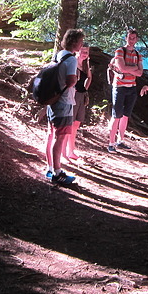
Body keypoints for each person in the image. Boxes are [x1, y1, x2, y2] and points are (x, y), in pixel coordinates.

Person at [44, 28, 84, 185]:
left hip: (52, 101)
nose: (81, 44)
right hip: (64, 102)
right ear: (73, 42)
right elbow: (71, 81)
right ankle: (57, 173)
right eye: (80, 41)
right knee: (60, 138)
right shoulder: (72, 59)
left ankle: (50, 167)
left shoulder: (58, 54)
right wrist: (76, 78)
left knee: (51, 135)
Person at [108, 28, 144, 152]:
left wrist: (128, 69)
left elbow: (140, 73)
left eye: (134, 38)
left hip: (132, 87)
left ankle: (120, 140)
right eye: (129, 38)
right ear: (126, 38)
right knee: (116, 115)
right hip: (119, 87)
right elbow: (121, 68)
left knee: (125, 116)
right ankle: (111, 143)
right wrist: (133, 68)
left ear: (137, 39)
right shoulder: (119, 51)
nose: (131, 40)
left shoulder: (138, 54)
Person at [64, 43, 92, 161]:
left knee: (76, 124)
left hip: (81, 95)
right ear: (77, 51)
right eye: (83, 51)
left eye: (86, 52)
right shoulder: (73, 62)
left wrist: (86, 87)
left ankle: (71, 150)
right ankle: (63, 151)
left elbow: (89, 78)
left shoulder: (85, 65)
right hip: (72, 96)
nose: (84, 54)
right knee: (69, 124)